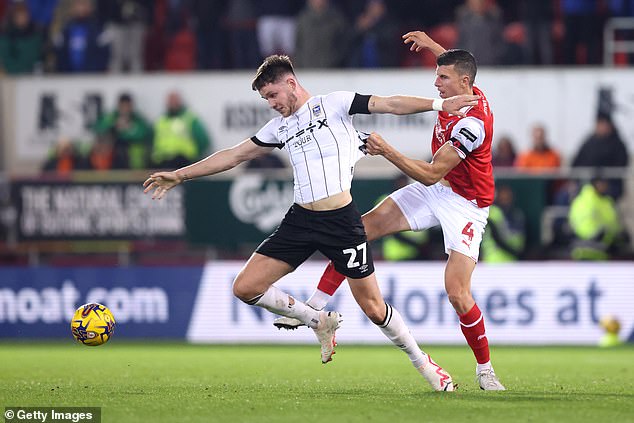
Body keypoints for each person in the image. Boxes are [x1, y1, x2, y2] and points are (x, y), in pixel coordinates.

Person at [144, 54, 478, 391]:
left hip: (342, 222)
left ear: (291, 83)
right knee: (245, 287)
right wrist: (180, 175)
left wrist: (440, 104)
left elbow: (389, 103)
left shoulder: (334, 104)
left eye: (273, 95)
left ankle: (426, 365)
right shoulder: (279, 127)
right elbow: (233, 155)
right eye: (265, 99)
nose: (271, 104)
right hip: (300, 220)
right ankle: (318, 321)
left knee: (375, 308)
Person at [273, 32, 506, 390]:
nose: (436, 83)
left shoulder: (472, 124)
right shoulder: (467, 89)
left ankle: (485, 369)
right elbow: (458, 64)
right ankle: (316, 308)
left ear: (463, 83)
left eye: (442, 78)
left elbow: (430, 173)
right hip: (436, 192)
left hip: (465, 205)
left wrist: (388, 150)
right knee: (358, 231)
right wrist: (432, 46)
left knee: (457, 292)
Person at [151, 91, 212, 169]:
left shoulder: (189, 118)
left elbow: (203, 140)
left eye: (174, 100)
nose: (172, 103)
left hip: (184, 162)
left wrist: (195, 159)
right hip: (163, 161)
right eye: (170, 101)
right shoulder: (160, 120)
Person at [94, 92, 153, 169]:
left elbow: (144, 133)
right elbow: (99, 128)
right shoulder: (112, 118)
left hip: (131, 155)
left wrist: (126, 131)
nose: (125, 109)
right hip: (114, 154)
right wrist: (114, 126)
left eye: (127, 106)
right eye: (123, 106)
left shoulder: (137, 119)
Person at [480, 185, 526, 263]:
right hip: (492, 260)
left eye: (507, 198)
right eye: (502, 198)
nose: (505, 201)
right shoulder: (493, 212)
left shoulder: (517, 215)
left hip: (512, 261)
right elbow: (498, 238)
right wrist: (515, 252)